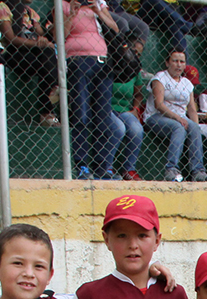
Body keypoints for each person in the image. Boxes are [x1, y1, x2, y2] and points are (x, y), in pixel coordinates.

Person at [62, 0, 118, 180]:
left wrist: (99, 12)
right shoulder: (62, 4)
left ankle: (102, 167)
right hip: (78, 61)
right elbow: (59, 36)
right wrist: (72, 13)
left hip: (101, 61)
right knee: (81, 114)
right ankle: (82, 165)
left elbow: (115, 29)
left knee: (103, 115)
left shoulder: (97, 4)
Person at [0, 0, 59, 126]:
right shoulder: (3, 7)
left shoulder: (29, 11)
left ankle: (48, 109)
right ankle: (49, 104)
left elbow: (42, 34)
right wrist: (37, 43)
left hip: (34, 53)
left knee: (48, 56)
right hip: (14, 53)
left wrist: (55, 25)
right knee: (48, 62)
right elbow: (11, 39)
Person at [145, 49, 207, 182]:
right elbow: (159, 104)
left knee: (195, 128)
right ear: (167, 63)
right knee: (178, 127)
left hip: (181, 118)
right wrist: (178, 118)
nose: (178, 65)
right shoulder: (160, 78)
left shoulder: (187, 83)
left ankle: (198, 171)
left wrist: (195, 126)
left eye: (182, 61)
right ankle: (171, 169)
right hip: (156, 117)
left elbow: (192, 108)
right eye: (175, 61)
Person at [105, 33, 145, 180]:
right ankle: (106, 167)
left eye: (138, 54)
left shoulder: (135, 71)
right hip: (106, 108)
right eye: (133, 52)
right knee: (119, 128)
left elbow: (139, 94)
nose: (135, 56)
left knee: (136, 129)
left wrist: (135, 108)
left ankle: (129, 169)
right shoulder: (112, 64)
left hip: (124, 110)